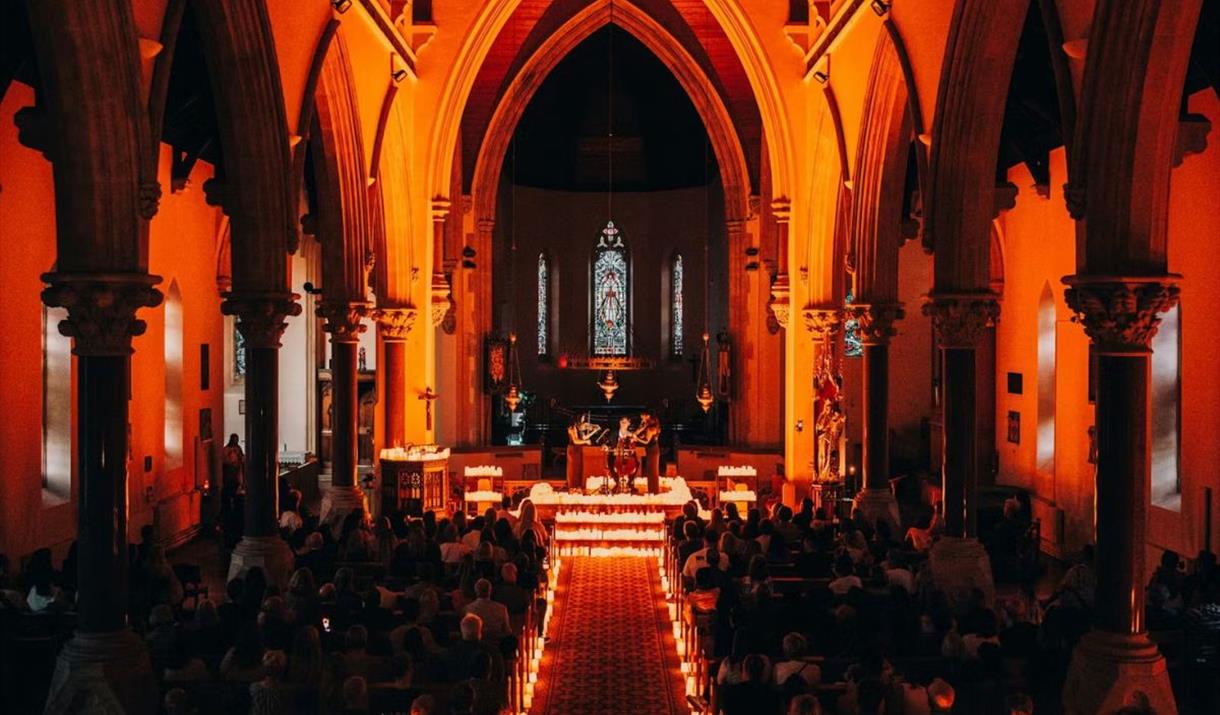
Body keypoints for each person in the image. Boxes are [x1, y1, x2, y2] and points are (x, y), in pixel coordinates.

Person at [463, 578, 511, 642]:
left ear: (476, 591)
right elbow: (507, 631)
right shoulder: (501, 609)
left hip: (477, 645)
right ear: (490, 591)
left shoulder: (468, 609)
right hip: (496, 645)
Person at [566, 414, 598, 490]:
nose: (584, 421)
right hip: (573, 449)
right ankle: (572, 486)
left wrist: (594, 431)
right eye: (583, 418)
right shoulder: (571, 428)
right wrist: (586, 442)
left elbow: (584, 437)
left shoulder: (578, 428)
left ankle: (577, 487)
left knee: (579, 469)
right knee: (573, 469)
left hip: (579, 449)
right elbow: (575, 441)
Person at [634, 409, 662, 493]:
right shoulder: (647, 425)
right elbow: (640, 433)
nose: (641, 417)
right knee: (650, 470)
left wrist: (637, 439)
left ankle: (654, 491)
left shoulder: (651, 428)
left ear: (648, 416)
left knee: (652, 471)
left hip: (653, 450)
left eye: (642, 416)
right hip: (650, 449)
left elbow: (646, 441)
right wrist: (640, 427)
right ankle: (652, 490)